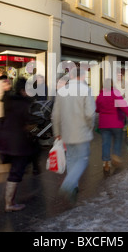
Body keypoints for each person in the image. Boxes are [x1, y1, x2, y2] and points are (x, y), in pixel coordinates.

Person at [51, 68, 96, 203]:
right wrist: (89, 127)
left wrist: (57, 132)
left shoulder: (62, 91)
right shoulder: (86, 90)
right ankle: (68, 184)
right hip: (81, 132)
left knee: (71, 158)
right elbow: (90, 114)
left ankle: (73, 187)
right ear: (82, 76)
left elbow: (55, 115)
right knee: (82, 159)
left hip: (66, 132)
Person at [0, 78, 37, 212]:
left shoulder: (8, 101)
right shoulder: (24, 104)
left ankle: (8, 197)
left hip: (5, 141)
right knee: (16, 172)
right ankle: (9, 203)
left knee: (14, 170)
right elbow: (29, 122)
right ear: (23, 91)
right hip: (18, 143)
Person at [96, 79, 128, 173]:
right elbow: (124, 106)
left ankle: (106, 163)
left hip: (104, 124)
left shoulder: (100, 95)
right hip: (116, 123)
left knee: (106, 143)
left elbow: (97, 109)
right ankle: (115, 156)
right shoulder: (115, 94)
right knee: (117, 140)